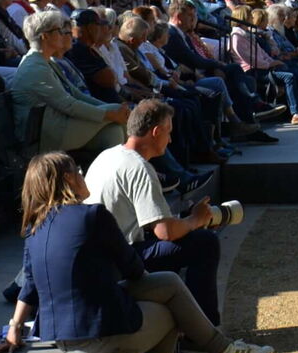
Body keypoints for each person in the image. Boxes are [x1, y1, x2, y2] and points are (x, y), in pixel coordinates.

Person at [0, 152, 272, 353]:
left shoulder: (35, 227)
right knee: (171, 310)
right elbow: (133, 268)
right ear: (68, 179)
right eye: (78, 170)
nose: (82, 175)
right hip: (96, 335)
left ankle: (223, 351)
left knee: (169, 283)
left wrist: (15, 328)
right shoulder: (93, 215)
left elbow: (29, 284)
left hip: (61, 336)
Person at [84, 100, 228, 326]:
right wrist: (196, 220)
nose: (170, 140)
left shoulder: (107, 156)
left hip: (97, 256)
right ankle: (204, 329)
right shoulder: (139, 167)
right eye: (169, 132)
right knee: (205, 243)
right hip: (118, 260)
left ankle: (181, 319)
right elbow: (165, 232)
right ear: (156, 132)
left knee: (182, 238)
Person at [10, 8, 128, 159]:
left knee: (113, 132)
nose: (64, 35)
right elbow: (69, 105)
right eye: (59, 31)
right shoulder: (34, 67)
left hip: (54, 125)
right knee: (117, 113)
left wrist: (112, 110)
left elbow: (75, 94)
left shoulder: (45, 61)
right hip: (42, 136)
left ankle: (116, 171)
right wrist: (109, 113)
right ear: (45, 36)